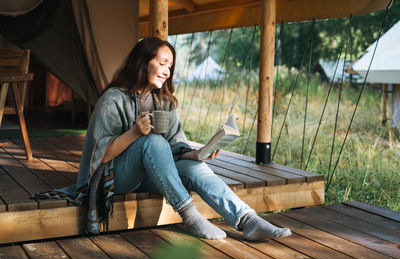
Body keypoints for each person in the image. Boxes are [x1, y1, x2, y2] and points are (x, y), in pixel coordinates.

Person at [36, 37, 291, 241]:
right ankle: (190, 217)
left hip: (150, 174)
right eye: (162, 63)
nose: (167, 71)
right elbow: (100, 155)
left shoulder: (164, 101)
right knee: (153, 142)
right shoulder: (113, 99)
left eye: (170, 65)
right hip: (112, 178)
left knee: (194, 166)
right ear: (143, 62)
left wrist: (199, 153)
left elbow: (176, 147)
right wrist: (135, 133)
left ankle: (248, 220)